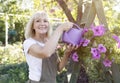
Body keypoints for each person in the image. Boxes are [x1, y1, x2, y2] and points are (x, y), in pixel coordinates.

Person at [23, 11, 78, 83]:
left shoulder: (49, 43)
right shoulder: (29, 43)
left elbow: (58, 68)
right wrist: (60, 29)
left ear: (48, 25)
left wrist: (67, 53)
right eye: (38, 21)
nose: (42, 23)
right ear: (33, 26)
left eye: (45, 21)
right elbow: (45, 53)